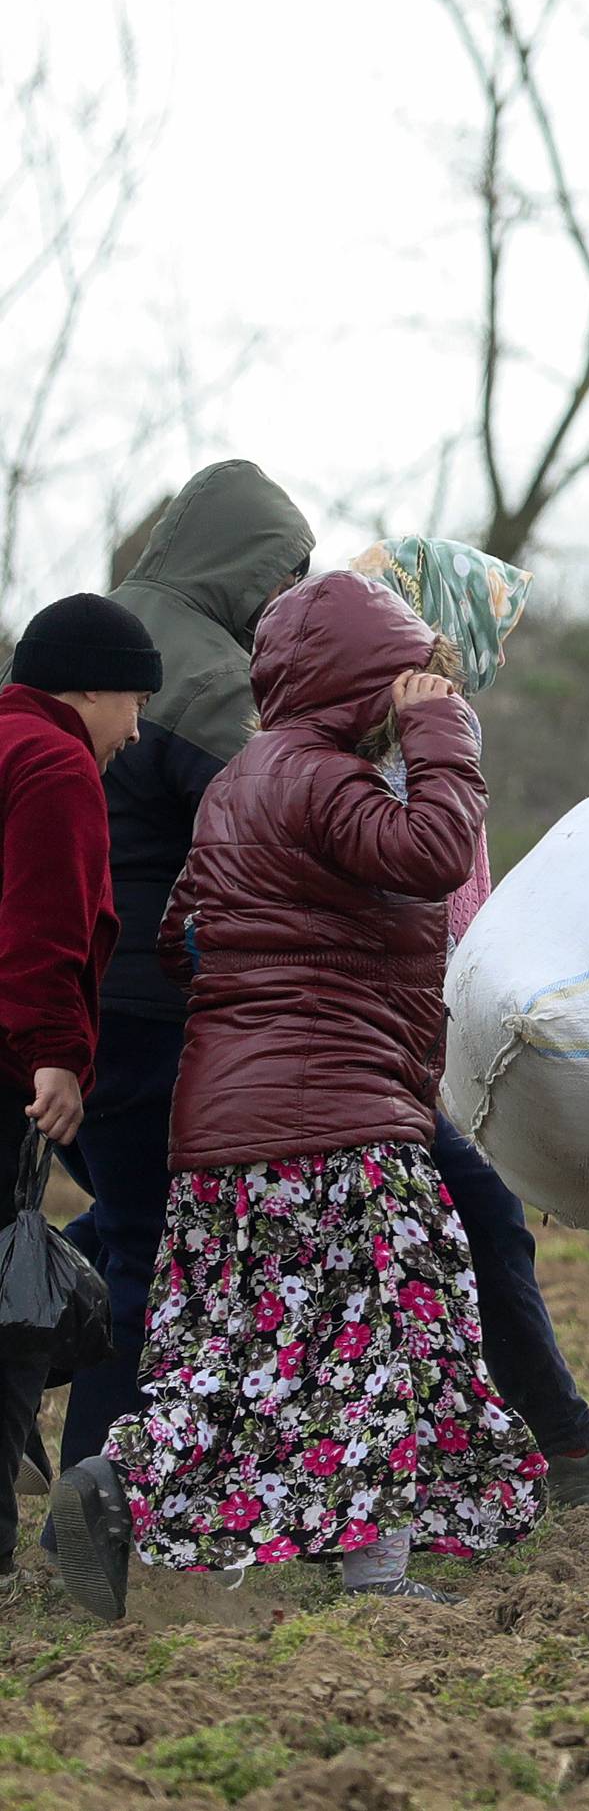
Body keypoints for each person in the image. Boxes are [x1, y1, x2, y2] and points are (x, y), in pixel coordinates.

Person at [53, 569, 546, 1618]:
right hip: (339, 1125)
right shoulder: (326, 779)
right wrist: (445, 737)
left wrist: (271, 986)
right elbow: (434, 853)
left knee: (237, 1351)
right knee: (395, 1336)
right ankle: (381, 1572)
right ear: (364, 681)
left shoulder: (244, 779)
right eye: (408, 683)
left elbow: (185, 935)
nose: (416, 701)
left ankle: (113, 1479)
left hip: (229, 1127)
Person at [349, 536, 589, 1509]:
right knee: (482, 1218)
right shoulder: (414, 736)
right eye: (494, 628)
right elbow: (445, 907)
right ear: (443, 623)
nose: (506, 654)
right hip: (395, 1037)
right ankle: (561, 1443)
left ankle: (527, 1435)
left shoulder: (379, 727)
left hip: (407, 1033)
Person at [50, 461, 314, 1479]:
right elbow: (272, 835)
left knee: (125, 1221)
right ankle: (100, 1488)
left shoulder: (86, 630)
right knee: (153, 1255)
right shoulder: (204, 677)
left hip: (63, 999)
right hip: (151, 1011)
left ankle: (47, 1389)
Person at [0, 595, 162, 1575]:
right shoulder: (56, 760)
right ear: (89, 683)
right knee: (8, 1295)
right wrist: (54, 1052)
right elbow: (42, 923)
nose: (136, 729)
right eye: (134, 700)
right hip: (8, 1057)